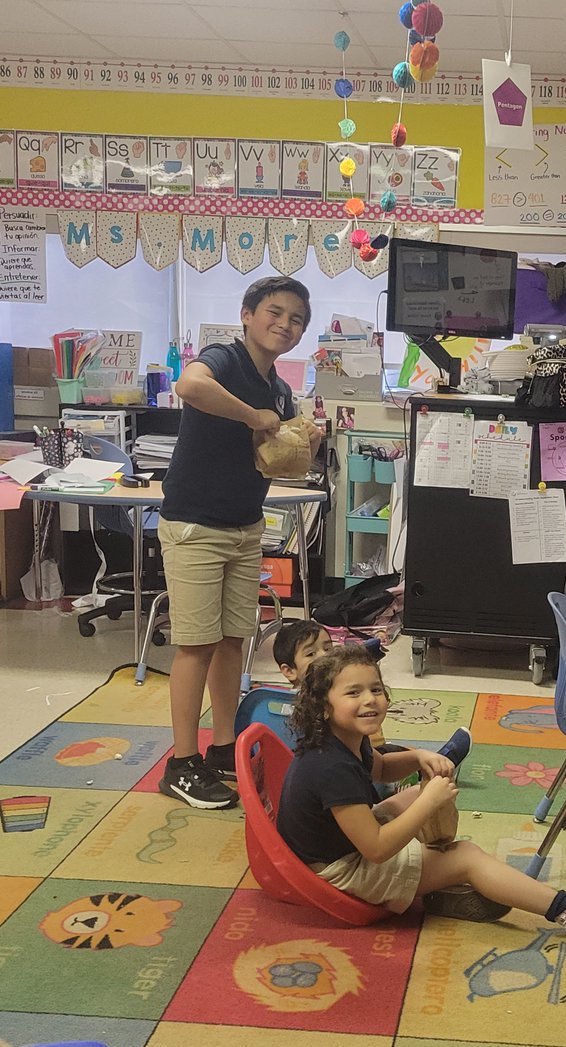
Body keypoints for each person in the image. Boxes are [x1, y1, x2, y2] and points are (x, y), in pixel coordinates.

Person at [277, 646, 566, 945]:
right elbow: (376, 849)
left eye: (376, 689)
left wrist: (419, 756)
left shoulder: (343, 741)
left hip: (342, 846)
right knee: (466, 855)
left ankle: (437, 873)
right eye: (353, 693)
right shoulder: (331, 768)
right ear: (323, 707)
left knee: (423, 790)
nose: (371, 700)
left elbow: (382, 769)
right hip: (342, 871)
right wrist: (430, 802)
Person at [157, 277, 321, 810]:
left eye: (296, 319)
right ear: (247, 313)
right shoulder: (224, 359)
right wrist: (255, 418)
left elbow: (277, 451)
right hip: (196, 523)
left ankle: (223, 747)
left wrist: (304, 438)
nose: (285, 325)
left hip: (244, 524)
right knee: (196, 643)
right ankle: (181, 764)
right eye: (275, 312)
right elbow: (189, 387)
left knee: (232, 641)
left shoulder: (278, 386)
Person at [271, 619, 471, 767]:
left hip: (366, 756)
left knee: (398, 752)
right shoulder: (329, 758)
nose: (324, 656)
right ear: (288, 670)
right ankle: (439, 763)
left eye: (327, 648)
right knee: (391, 754)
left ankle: (434, 761)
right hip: (357, 768)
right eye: (311, 653)